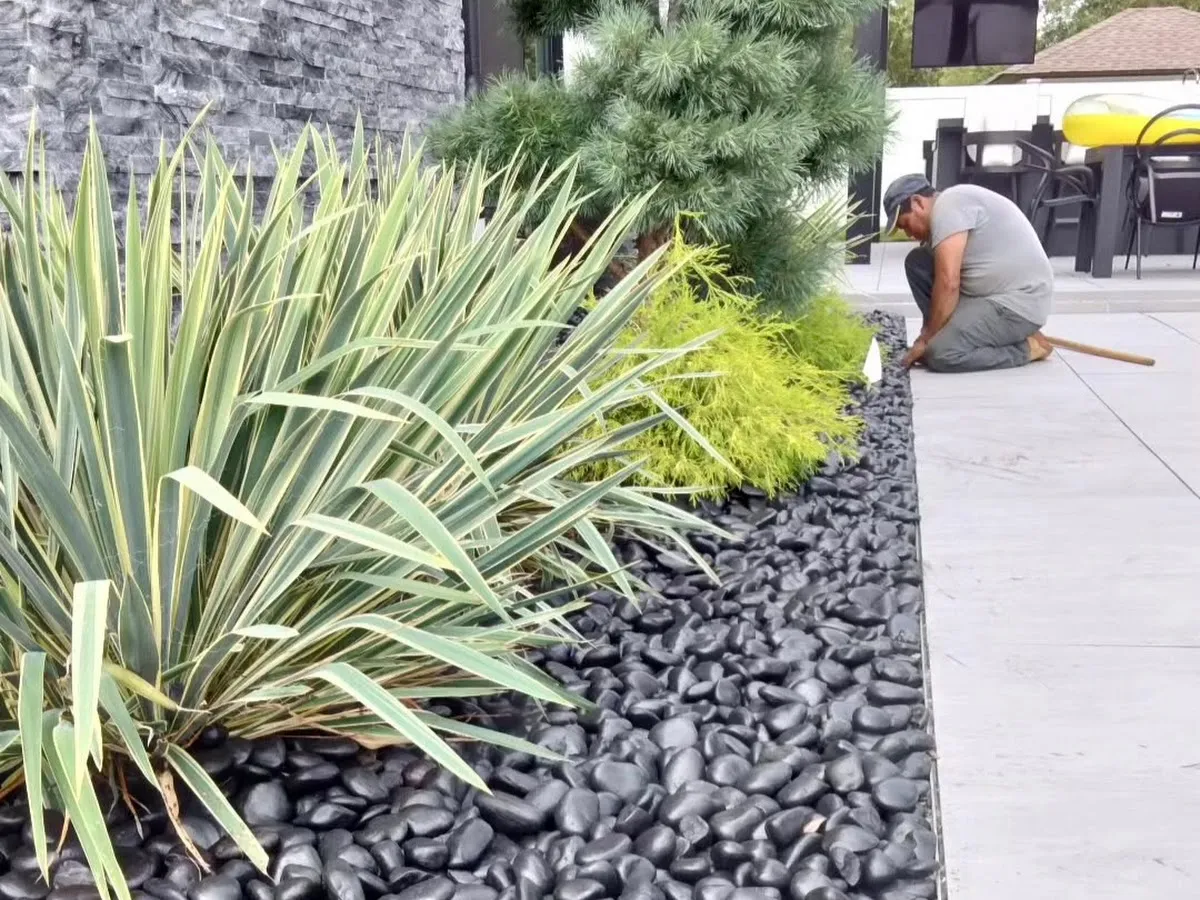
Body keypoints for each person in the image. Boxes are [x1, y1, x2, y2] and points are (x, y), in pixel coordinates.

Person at [882, 173, 1055, 372]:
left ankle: (1028, 348)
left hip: (1018, 303)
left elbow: (948, 283)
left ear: (917, 202)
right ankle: (952, 334)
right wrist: (927, 333)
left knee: (942, 353)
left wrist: (926, 341)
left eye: (905, 224)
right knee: (918, 261)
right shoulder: (950, 206)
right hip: (989, 295)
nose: (908, 234)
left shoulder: (948, 206)